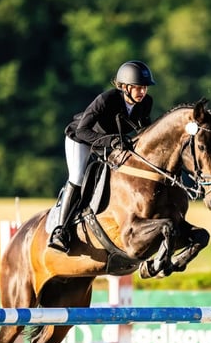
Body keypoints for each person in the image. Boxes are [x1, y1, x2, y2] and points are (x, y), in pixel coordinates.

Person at [48, 60, 156, 252]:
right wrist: (112, 141)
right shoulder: (106, 100)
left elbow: (144, 131)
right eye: (138, 88)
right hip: (81, 140)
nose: (142, 92)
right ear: (125, 87)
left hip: (108, 145)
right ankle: (60, 231)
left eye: (145, 88)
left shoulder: (145, 103)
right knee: (78, 178)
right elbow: (83, 131)